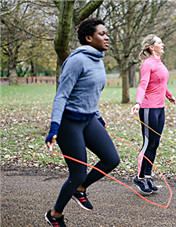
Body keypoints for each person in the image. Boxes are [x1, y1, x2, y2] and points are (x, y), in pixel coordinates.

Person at [44, 18, 120, 227]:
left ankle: (81, 189)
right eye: (102, 34)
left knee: (111, 159)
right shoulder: (76, 61)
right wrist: (54, 127)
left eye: (106, 33)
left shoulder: (98, 59)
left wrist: (98, 116)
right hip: (70, 123)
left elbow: (90, 93)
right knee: (77, 173)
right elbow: (61, 96)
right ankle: (55, 214)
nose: (107, 37)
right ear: (89, 38)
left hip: (89, 119)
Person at [131, 34, 176, 195]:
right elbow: (143, 84)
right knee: (148, 143)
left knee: (155, 143)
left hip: (160, 108)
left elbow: (160, 84)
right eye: (159, 43)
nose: (162, 44)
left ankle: (148, 176)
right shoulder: (148, 64)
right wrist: (138, 102)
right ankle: (140, 177)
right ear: (152, 47)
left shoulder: (159, 63)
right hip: (148, 108)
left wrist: (169, 95)